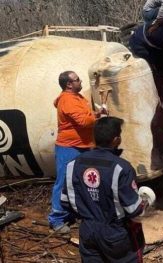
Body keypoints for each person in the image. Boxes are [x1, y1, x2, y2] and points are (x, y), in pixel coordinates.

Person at [60, 117, 150, 262]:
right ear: (116, 140)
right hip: (116, 234)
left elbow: (65, 202)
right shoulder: (121, 168)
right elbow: (134, 209)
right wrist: (145, 202)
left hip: (87, 230)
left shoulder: (73, 164)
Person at [48, 71, 100, 233]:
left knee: (79, 182)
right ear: (69, 84)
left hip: (82, 146)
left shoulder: (77, 98)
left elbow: (86, 116)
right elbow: (84, 121)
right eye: (77, 79)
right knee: (63, 182)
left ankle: (72, 213)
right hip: (69, 147)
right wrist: (98, 117)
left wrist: (95, 114)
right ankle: (56, 219)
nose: (81, 81)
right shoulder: (67, 100)